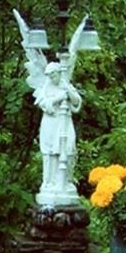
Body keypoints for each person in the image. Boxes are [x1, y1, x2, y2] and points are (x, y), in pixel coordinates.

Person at [35, 61, 82, 203]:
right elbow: (44, 104)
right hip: (51, 123)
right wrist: (58, 98)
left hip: (65, 122)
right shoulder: (46, 87)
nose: (51, 78)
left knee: (68, 149)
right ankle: (49, 182)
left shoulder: (65, 84)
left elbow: (76, 102)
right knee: (50, 152)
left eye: (53, 74)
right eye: (49, 75)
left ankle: (66, 181)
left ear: (59, 73)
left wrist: (67, 91)